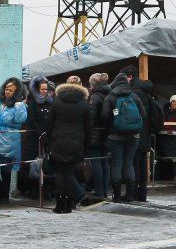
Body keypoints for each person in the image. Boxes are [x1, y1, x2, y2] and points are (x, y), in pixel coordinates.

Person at [44, 80, 90, 213]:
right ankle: (69, 205)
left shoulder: (57, 102)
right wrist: (86, 146)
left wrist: (49, 142)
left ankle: (59, 205)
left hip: (58, 141)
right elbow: (88, 127)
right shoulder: (84, 104)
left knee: (60, 174)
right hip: (77, 143)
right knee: (69, 173)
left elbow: (50, 124)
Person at [101, 70, 145, 202]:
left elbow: (104, 116)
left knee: (117, 164)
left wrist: (112, 126)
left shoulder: (111, 96)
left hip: (115, 136)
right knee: (129, 164)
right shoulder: (134, 96)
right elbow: (144, 115)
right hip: (133, 136)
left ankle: (117, 195)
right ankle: (130, 195)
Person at [0, 77, 27, 204]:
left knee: (5, 169)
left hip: (9, 141)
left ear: (17, 92)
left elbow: (20, 120)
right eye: (6, 89)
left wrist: (19, 106)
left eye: (11, 90)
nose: (7, 92)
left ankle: (4, 195)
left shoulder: (19, 106)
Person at [20, 76, 54, 198]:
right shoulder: (33, 102)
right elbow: (32, 120)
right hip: (34, 139)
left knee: (47, 164)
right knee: (34, 164)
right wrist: (41, 133)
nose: (44, 91)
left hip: (48, 138)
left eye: (46, 89)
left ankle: (47, 190)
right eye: (42, 89)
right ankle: (33, 189)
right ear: (37, 89)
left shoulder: (51, 102)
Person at [131, 75, 162, 202]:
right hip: (147, 136)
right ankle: (142, 195)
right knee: (143, 167)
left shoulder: (136, 95)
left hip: (137, 135)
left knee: (134, 166)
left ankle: (133, 194)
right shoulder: (149, 97)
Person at [85, 73, 111, 201]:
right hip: (107, 133)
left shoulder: (95, 96)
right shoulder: (110, 93)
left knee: (96, 162)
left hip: (95, 133)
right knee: (105, 161)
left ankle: (99, 191)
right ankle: (105, 190)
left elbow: (91, 117)